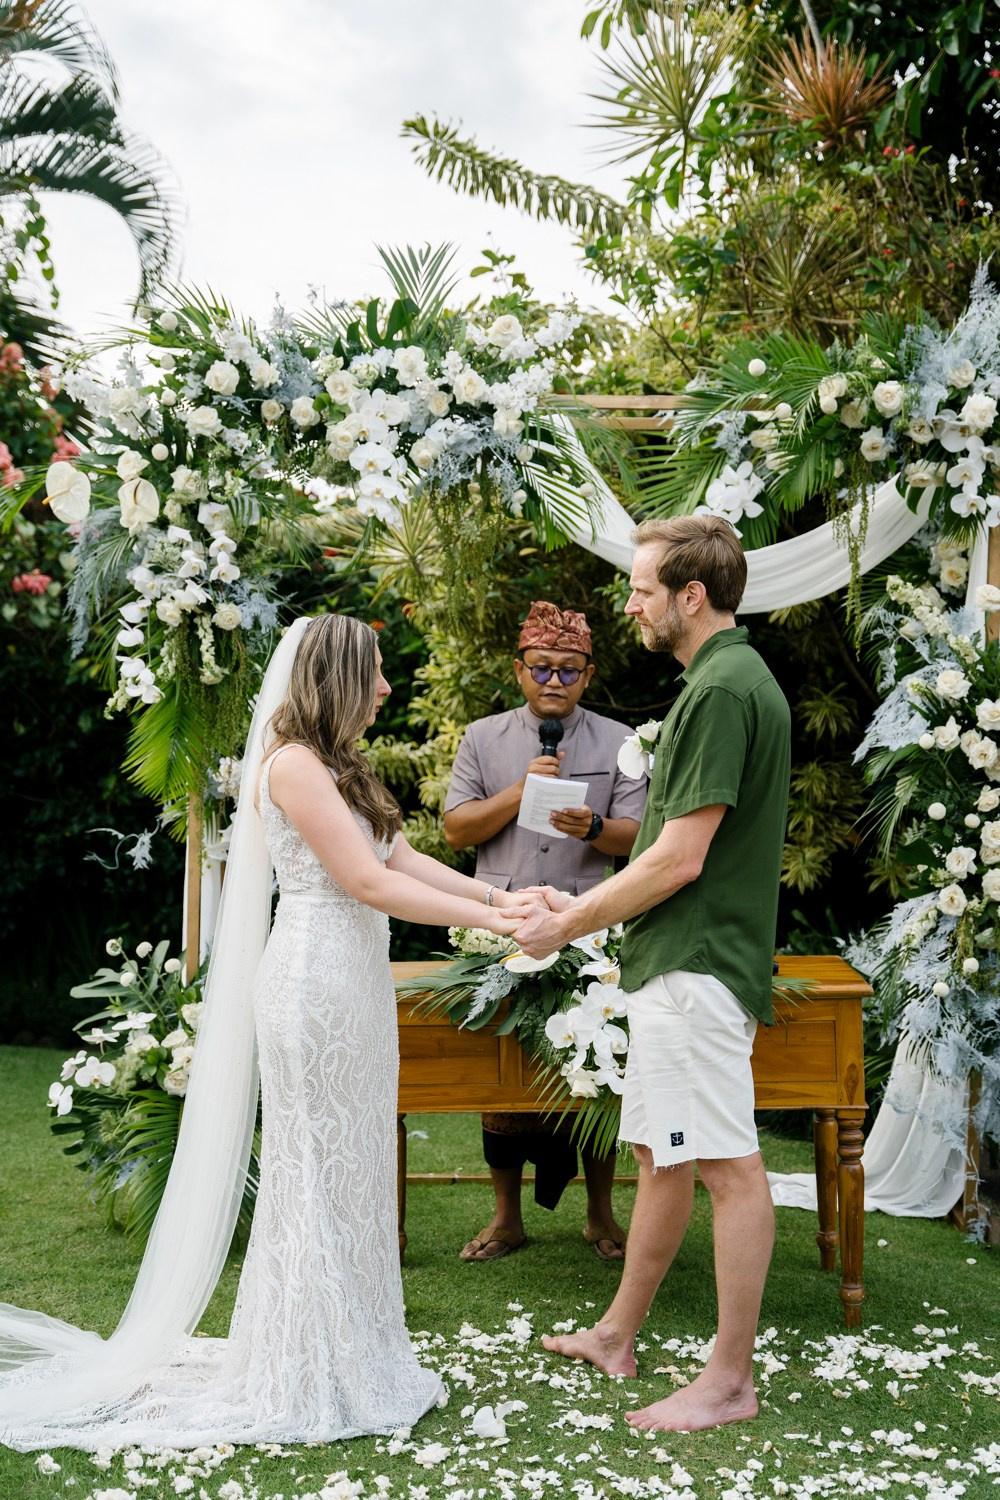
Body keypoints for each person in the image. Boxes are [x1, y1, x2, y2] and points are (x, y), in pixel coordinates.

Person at [0, 614, 538, 1450]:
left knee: (353, 1160)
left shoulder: (339, 763)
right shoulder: (290, 765)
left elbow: (398, 860)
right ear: (338, 678)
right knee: (317, 1169)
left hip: (352, 982)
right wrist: (501, 929)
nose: (388, 687)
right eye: (377, 674)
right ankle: (308, 1362)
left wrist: (496, 899)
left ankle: (350, 1349)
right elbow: (364, 882)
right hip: (314, 985)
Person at [512, 516, 792, 1434]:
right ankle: (617, 1333)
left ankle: (728, 1381)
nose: (628, 603)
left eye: (640, 588)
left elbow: (676, 859)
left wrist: (568, 922)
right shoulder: (725, 678)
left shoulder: (720, 690)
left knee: (727, 1168)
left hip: (699, 962)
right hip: (680, 961)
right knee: (661, 1153)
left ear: (691, 596)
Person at [444, 600, 647, 1263]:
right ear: (519, 671)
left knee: (593, 1068)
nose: (554, 682)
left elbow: (642, 839)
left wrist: (590, 827)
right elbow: (455, 830)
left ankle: (600, 1215)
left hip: (591, 929)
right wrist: (519, 792)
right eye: (541, 669)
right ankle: (506, 1218)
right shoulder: (483, 738)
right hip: (501, 925)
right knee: (502, 1075)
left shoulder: (621, 742)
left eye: (568, 671)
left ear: (587, 675)